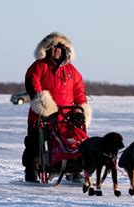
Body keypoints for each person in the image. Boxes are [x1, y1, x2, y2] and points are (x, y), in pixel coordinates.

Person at [22, 32, 92, 182]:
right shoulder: (39, 67)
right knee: (35, 145)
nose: (57, 50)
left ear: (65, 50)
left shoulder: (72, 71)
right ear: (47, 49)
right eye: (53, 47)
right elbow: (33, 85)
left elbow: (79, 90)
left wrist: (81, 108)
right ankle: (32, 171)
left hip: (66, 116)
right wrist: (44, 106)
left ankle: (73, 170)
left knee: (72, 143)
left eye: (60, 47)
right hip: (41, 115)